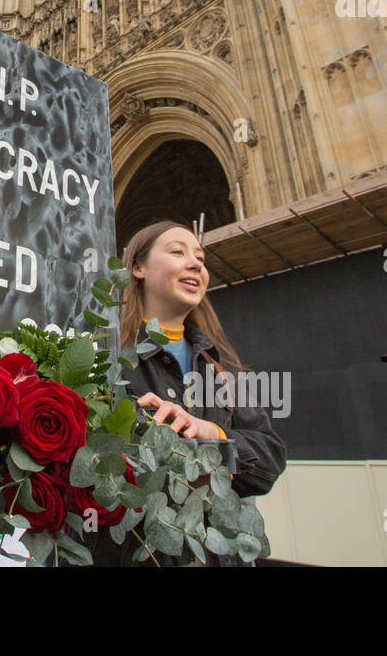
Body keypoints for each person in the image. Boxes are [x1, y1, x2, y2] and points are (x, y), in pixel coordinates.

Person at [91, 221, 287, 565]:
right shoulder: (103, 360)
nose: (196, 263)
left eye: (200, 256)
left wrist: (211, 433)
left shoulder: (221, 368)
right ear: (137, 267)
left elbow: (270, 460)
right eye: (178, 252)